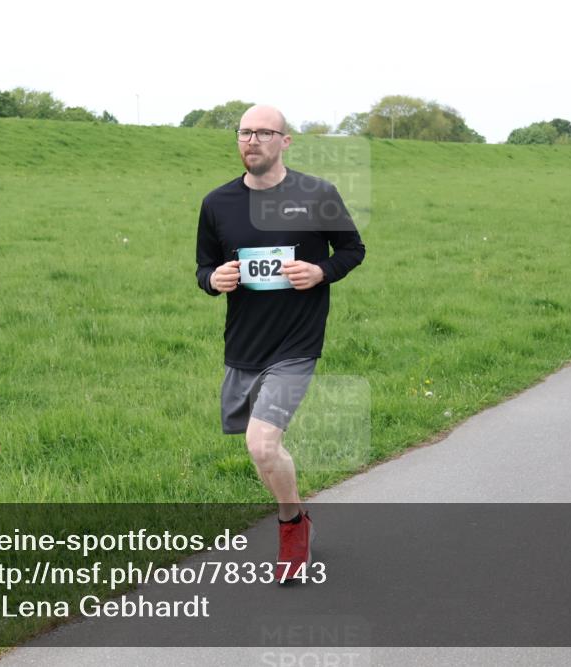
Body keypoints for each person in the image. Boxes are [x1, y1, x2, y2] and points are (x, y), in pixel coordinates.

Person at [195, 105, 365, 582]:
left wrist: (321, 271)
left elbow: (352, 250)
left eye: (264, 133)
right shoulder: (217, 203)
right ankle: (297, 514)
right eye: (244, 133)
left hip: (297, 343)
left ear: (285, 141)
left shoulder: (317, 195)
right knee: (259, 451)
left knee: (263, 445)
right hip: (245, 345)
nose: (252, 141)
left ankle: (292, 526)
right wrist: (216, 278)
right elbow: (203, 269)